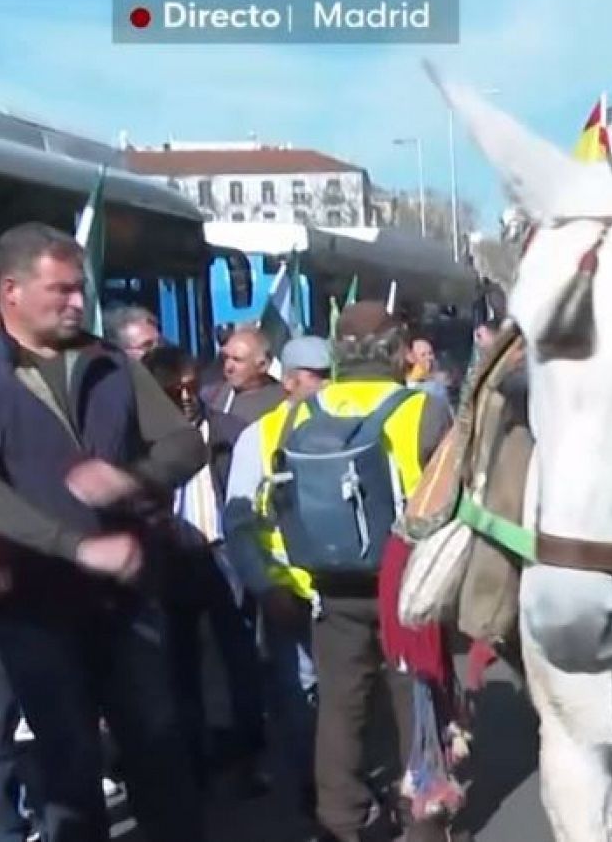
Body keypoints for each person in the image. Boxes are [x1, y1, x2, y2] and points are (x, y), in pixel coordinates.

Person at [0, 222, 207, 842]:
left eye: (79, 290)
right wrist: (78, 545)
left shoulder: (108, 362)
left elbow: (183, 442)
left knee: (160, 755)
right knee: (70, 773)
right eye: (59, 290)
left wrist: (134, 479)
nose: (76, 303)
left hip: (127, 601)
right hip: (35, 607)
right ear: (9, 290)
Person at [233, 302, 452, 842]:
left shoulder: (294, 416)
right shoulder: (422, 410)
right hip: (407, 585)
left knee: (338, 711)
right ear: (399, 349)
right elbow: (454, 502)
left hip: (329, 585)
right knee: (418, 705)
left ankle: (339, 824)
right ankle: (424, 824)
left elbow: (265, 505)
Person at [141, 344, 270, 798]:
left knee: (241, 662)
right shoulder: (138, 442)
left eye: (192, 386)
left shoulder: (231, 432)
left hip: (225, 559)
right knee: (179, 669)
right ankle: (192, 762)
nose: (186, 395)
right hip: (168, 563)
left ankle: (247, 758)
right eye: (173, 389)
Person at [222, 334, 333, 826]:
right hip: (291, 596)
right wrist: (265, 588)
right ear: (289, 381)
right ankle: (312, 793)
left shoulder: (354, 429)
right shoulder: (260, 438)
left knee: (344, 700)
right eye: (318, 379)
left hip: (347, 597)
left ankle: (338, 784)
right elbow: (240, 524)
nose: (330, 389)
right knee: (299, 701)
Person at [209, 325, 286, 424]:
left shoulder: (282, 402)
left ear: (262, 365)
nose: (228, 366)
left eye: (237, 360)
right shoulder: (214, 395)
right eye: (226, 358)